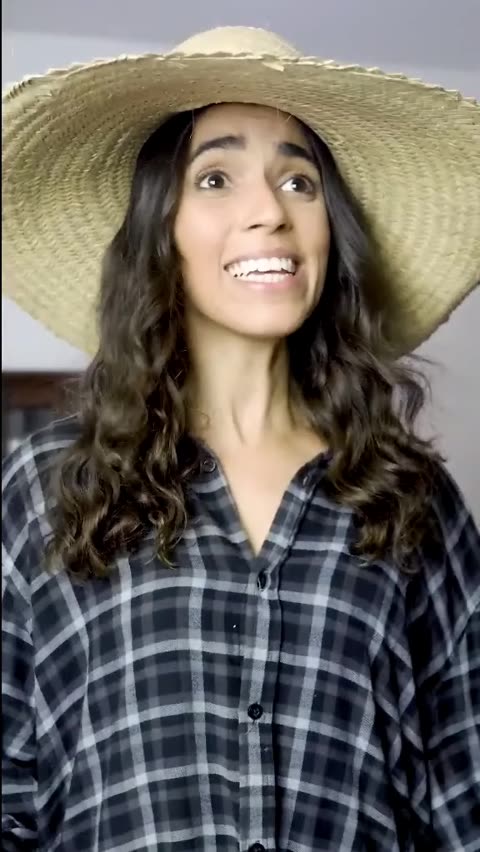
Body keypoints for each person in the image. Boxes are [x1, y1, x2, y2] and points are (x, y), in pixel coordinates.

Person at [2, 25, 479, 852]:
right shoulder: (48, 486)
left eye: (299, 181)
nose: (270, 212)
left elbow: (466, 804)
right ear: (160, 228)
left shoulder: (411, 498)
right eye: (216, 178)